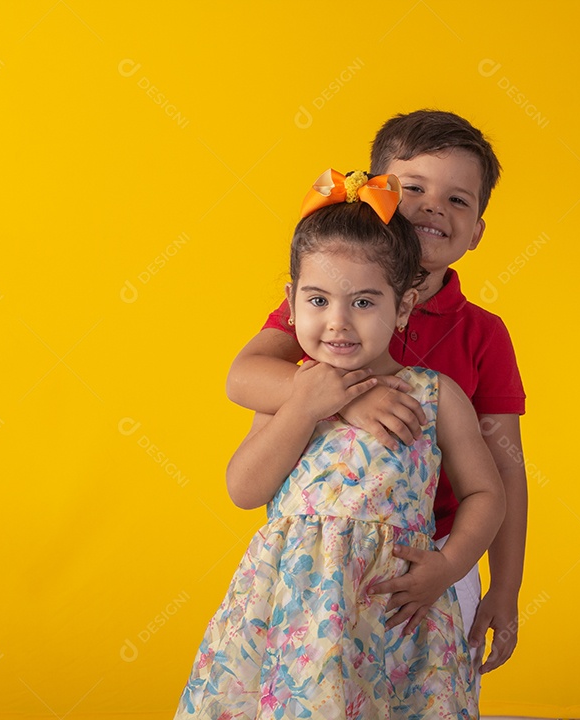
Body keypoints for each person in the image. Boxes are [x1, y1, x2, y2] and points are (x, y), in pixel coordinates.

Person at [174, 168, 506, 719]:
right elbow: (244, 488)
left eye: (364, 303)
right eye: (318, 300)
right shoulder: (292, 389)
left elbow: (485, 494)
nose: (338, 323)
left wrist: (449, 567)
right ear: (291, 300)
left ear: (403, 307)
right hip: (295, 611)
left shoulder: (434, 396)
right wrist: (305, 404)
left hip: (396, 610)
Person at [226, 111, 527, 678]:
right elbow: (244, 375)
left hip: (434, 557)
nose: (434, 207)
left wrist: (503, 589)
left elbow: (504, 471)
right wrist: (346, 396)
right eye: (413, 189)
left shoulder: (483, 333)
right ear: (377, 194)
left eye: (459, 200)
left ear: (478, 230)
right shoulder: (327, 305)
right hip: (310, 576)